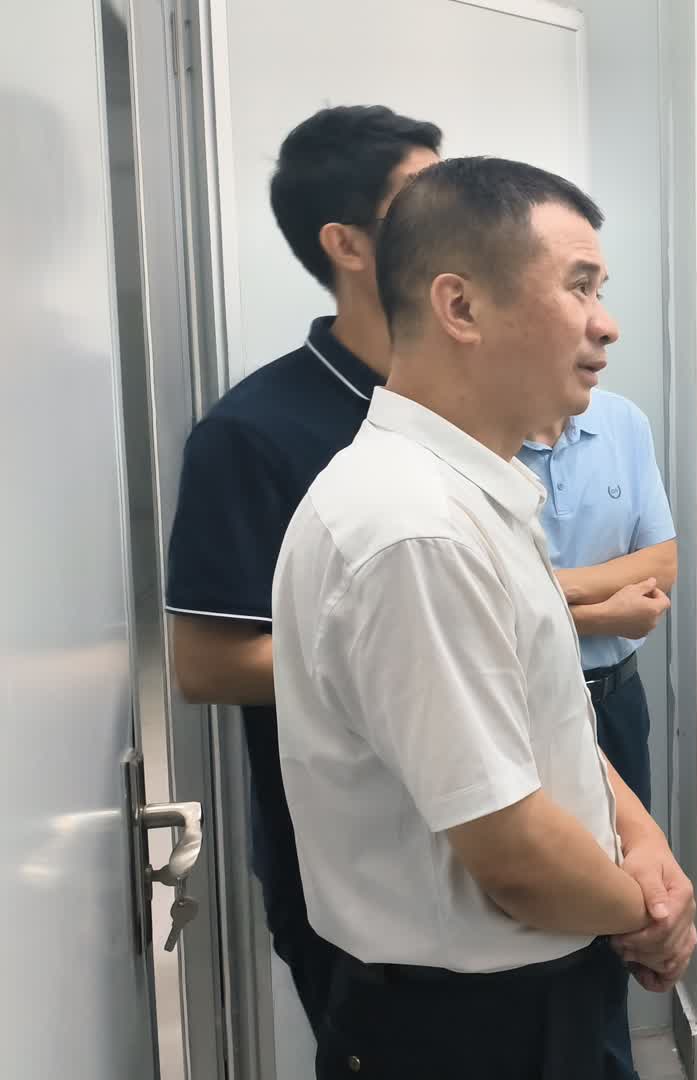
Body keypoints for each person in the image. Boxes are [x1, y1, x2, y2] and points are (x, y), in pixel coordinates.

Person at [272, 156, 696, 1079]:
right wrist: (652, 916)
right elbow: (511, 855)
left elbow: (544, 727)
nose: (606, 322)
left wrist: (643, 839)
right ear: (460, 306)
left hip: (532, 991)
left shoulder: (473, 495)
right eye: (578, 286)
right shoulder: (415, 531)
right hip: (466, 1029)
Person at [165, 104, 441, 1028]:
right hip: (359, 870)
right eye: (423, 197)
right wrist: (415, 656)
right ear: (347, 244)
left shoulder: (462, 401)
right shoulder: (252, 432)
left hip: (502, 832)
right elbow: (209, 666)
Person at [517, 390, 677, 1069]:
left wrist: (547, 587)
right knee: (540, 914)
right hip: (525, 710)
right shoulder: (480, 427)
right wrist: (600, 611)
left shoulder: (621, 422)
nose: (601, 338)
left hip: (613, 703)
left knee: (628, 902)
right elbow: (479, 601)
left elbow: (661, 565)